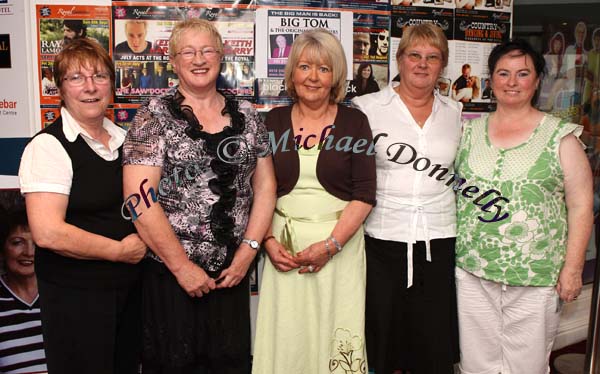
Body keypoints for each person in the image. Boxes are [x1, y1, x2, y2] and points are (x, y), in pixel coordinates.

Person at [122, 18, 276, 374]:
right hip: (172, 279)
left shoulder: (249, 116)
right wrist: (182, 267)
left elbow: (265, 186)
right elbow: (139, 198)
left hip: (231, 276)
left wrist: (247, 254)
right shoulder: (153, 117)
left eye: (207, 50)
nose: (199, 58)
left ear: (221, 56)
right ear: (173, 62)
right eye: (188, 52)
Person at [454, 39, 593, 374]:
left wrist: (572, 269)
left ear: (537, 81)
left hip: (536, 276)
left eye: (522, 74)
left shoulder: (562, 137)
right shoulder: (469, 133)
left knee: (527, 366)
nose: (512, 82)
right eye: (503, 73)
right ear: (490, 80)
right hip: (474, 272)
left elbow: (581, 205)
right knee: (475, 365)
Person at [18, 39, 146, 374]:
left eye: (100, 76)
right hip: (76, 299)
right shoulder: (47, 147)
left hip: (130, 291)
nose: (90, 87)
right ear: (60, 88)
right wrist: (118, 251)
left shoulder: (125, 139)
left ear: (112, 85)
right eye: (76, 78)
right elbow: (48, 233)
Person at [252, 28, 376, 374]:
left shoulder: (355, 122)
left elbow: (365, 193)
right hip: (284, 251)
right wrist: (267, 241)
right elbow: (259, 190)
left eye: (324, 69)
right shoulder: (271, 122)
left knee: (336, 335)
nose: (313, 77)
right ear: (292, 73)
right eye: (305, 67)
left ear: (335, 76)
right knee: (288, 339)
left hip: (340, 249)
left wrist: (331, 245)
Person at [352, 23, 462, 374]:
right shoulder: (365, 108)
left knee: (431, 344)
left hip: (439, 240)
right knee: (381, 342)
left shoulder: (455, 113)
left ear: (443, 65)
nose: (422, 63)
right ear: (399, 59)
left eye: (432, 57)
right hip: (382, 242)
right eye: (414, 55)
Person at [0, 195, 47, 374]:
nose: (29, 252)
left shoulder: (61, 296)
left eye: (36, 244)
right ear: (3, 249)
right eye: (17, 242)